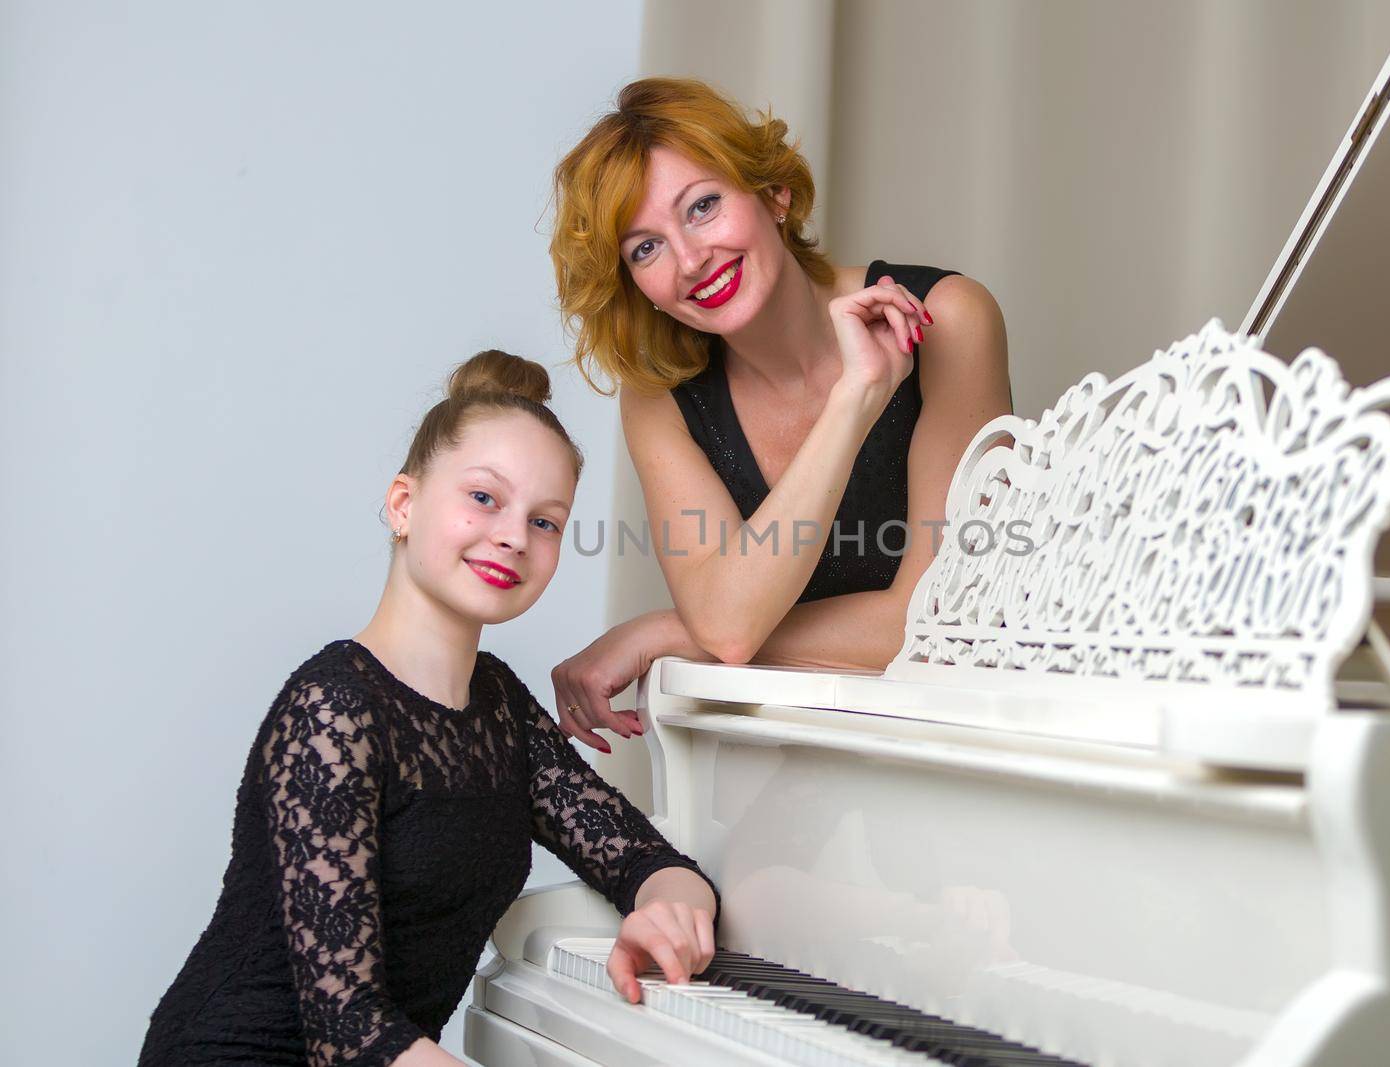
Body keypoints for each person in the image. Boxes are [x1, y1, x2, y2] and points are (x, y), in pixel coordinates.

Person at [138, 351, 719, 1067]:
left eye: (546, 521)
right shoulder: (332, 707)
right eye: (484, 497)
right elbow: (347, 1030)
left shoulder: (499, 705)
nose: (513, 535)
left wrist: (669, 908)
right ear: (403, 504)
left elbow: (639, 855)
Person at [545, 77, 1014, 752]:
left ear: (773, 192)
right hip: (771, 756)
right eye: (644, 247)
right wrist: (853, 404)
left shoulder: (949, 318)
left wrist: (667, 632)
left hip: (950, 744)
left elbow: (941, 621)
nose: (689, 258)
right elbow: (729, 626)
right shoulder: (660, 395)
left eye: (702, 206)